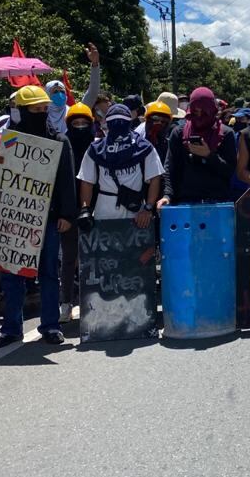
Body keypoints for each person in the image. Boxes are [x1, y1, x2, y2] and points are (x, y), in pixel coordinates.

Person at [0, 86, 76, 348]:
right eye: (35, 110)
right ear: (21, 112)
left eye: (43, 109)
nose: (40, 113)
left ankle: (50, 326)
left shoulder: (59, 141)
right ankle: (10, 329)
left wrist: (66, 213)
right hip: (16, 219)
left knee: (49, 273)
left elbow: (66, 180)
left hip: (50, 219)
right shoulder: (10, 141)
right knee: (13, 274)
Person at [77, 103, 164, 232]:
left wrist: (148, 209)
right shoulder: (96, 149)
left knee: (138, 252)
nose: (119, 124)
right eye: (114, 121)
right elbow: (87, 181)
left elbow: (155, 177)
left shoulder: (144, 147)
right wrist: (85, 210)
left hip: (136, 214)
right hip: (104, 213)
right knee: (105, 252)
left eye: (122, 121)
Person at [157, 86, 239, 208]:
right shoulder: (179, 133)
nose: (199, 116)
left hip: (218, 203)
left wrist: (209, 156)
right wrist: (167, 195)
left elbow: (230, 171)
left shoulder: (226, 134)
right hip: (184, 203)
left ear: (212, 110)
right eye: (195, 112)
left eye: (204, 112)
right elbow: (169, 167)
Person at [60, 102, 96, 321]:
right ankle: (65, 302)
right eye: (76, 123)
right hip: (69, 211)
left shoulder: (98, 146)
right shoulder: (62, 146)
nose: (80, 127)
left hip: (94, 209)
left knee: (93, 258)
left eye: (85, 123)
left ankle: (92, 300)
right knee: (69, 258)